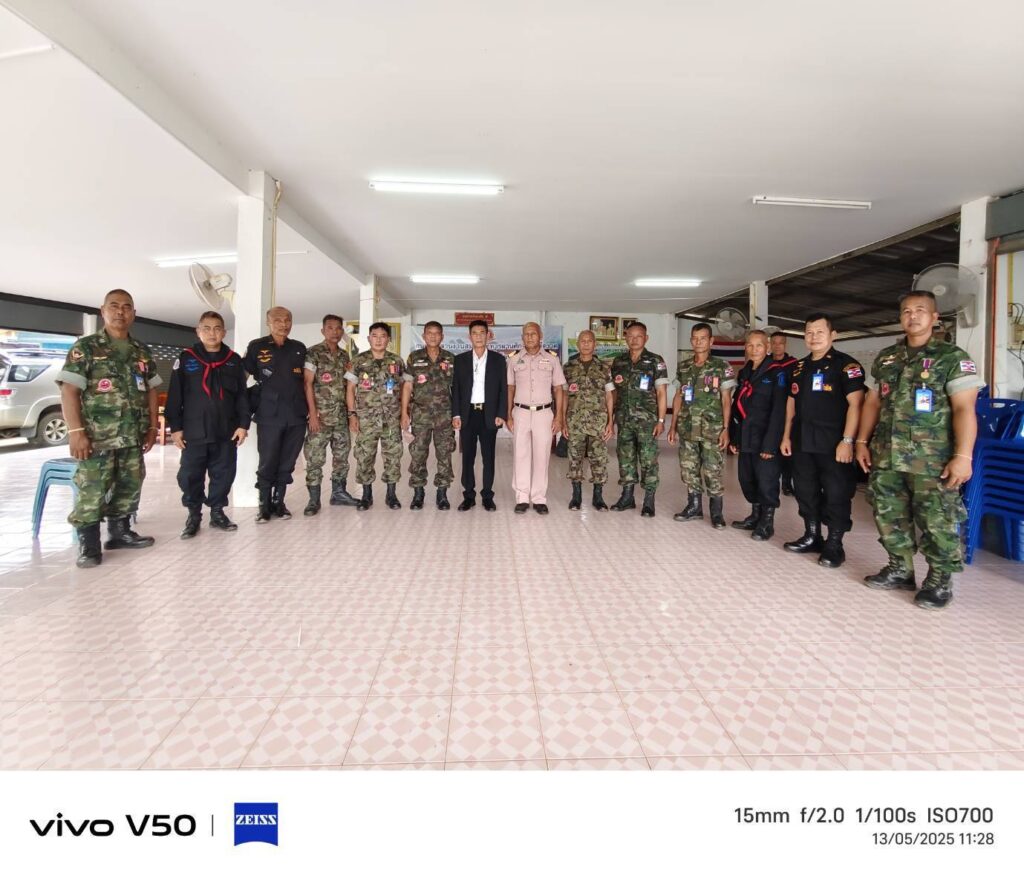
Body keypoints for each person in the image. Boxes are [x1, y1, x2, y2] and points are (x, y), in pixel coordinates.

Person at [855, 290, 983, 609]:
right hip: (887, 453)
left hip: (932, 458)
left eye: (920, 310)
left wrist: (963, 456)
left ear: (934, 317)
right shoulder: (887, 357)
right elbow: (872, 402)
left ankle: (939, 580)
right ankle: (900, 568)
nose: (913, 316)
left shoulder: (952, 357)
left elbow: (965, 409)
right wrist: (860, 442)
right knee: (888, 513)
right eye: (907, 311)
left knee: (937, 519)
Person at [57, 289, 160, 567]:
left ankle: (119, 532)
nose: (120, 312)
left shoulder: (141, 351)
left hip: (132, 434)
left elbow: (151, 389)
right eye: (114, 306)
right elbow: (69, 391)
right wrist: (76, 432)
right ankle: (88, 545)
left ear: (134, 313)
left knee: (131, 482)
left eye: (126, 307)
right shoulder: (87, 348)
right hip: (97, 436)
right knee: (92, 487)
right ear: (103, 311)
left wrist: (152, 427)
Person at [779, 314, 865, 567]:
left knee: (837, 492)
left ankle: (835, 544)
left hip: (833, 443)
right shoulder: (799, 367)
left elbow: (857, 404)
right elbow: (791, 404)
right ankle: (812, 535)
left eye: (819, 332)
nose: (813, 337)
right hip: (802, 441)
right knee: (805, 490)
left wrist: (848, 440)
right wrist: (786, 436)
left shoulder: (846, 366)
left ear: (832, 335)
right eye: (809, 332)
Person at [165, 310, 250, 538]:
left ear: (224, 332)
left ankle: (217, 512)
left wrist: (243, 424)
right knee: (189, 475)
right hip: (194, 430)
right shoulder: (187, 358)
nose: (212, 333)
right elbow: (175, 395)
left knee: (224, 472)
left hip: (226, 429)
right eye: (207, 328)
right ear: (198, 331)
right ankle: (193, 514)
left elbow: (242, 395)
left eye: (217, 328)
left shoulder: (233, 360)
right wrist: (176, 428)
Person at [243, 306, 308, 523]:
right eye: (278, 320)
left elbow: (307, 381)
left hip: (296, 414)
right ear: (268, 323)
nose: (283, 324)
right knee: (268, 460)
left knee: (288, 461)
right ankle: (264, 505)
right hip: (269, 414)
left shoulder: (299, 348)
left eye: (287, 320)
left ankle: (279, 502)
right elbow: (242, 377)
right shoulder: (257, 346)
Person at [668, 322, 735, 529]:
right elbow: (678, 396)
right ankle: (694, 507)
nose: (698, 342)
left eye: (703, 338)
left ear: (711, 341)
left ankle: (716, 513)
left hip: (711, 430)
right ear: (691, 341)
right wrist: (673, 425)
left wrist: (726, 428)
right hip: (687, 427)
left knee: (713, 470)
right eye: (695, 338)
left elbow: (726, 399)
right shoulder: (684, 367)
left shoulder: (721, 367)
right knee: (689, 469)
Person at [729, 329, 788, 540]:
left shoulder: (777, 373)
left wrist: (771, 444)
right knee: (747, 479)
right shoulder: (745, 372)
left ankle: (767, 522)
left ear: (768, 347)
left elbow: (779, 411)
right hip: (746, 436)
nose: (754, 349)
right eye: (750, 345)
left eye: (759, 345)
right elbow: (737, 407)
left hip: (765, 438)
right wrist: (735, 438)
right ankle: (755, 516)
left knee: (766, 480)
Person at [345, 322, 407, 511]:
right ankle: (366, 495)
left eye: (383, 336)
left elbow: (405, 388)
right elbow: (350, 389)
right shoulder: (358, 361)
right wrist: (352, 414)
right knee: (365, 456)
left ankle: (391, 495)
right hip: (367, 419)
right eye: (375, 336)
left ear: (388, 339)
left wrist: (405, 413)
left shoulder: (397, 361)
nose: (379, 340)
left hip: (391, 418)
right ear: (368, 338)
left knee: (393, 456)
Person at [609, 322, 669, 517]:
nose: (634, 340)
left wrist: (661, 420)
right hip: (624, 420)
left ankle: (649, 500)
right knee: (625, 458)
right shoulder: (619, 361)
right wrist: (611, 419)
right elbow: (614, 393)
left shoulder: (655, 361)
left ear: (646, 338)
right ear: (625, 337)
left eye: (639, 336)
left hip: (647, 422)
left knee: (648, 460)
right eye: (630, 336)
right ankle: (627, 497)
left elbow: (661, 392)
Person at [507, 323, 566, 515]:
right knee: (520, 455)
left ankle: (539, 498)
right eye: (526, 334)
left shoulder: (552, 359)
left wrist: (559, 417)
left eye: (533, 334)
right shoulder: (514, 359)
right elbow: (510, 388)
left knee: (542, 456)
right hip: (521, 412)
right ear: (522, 337)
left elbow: (558, 389)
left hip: (544, 413)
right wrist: (508, 415)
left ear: (540, 336)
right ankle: (522, 497)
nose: (530, 337)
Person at [302, 314, 358, 515]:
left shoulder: (344, 356)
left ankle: (338, 493)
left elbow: (349, 386)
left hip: (340, 416)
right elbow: (307, 384)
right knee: (315, 458)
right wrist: (312, 414)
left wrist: (351, 414)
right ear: (323, 330)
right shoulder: (313, 353)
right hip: (321, 417)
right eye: (330, 328)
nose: (335, 332)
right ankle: (313, 499)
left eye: (338, 328)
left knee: (342, 456)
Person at [451, 319, 507, 511]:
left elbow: (503, 389)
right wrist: (456, 414)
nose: (479, 336)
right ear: (469, 337)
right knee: (467, 457)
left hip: (489, 414)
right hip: (467, 414)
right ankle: (468, 495)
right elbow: (456, 389)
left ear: (488, 335)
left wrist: (501, 413)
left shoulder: (498, 360)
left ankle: (487, 495)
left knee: (488, 457)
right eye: (474, 333)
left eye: (482, 332)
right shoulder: (460, 360)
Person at [402, 321, 456, 510]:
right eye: (429, 333)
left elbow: (457, 388)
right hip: (420, 416)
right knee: (418, 454)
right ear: (424, 336)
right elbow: (407, 386)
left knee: (445, 455)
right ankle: (418, 493)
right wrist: (404, 413)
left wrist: (457, 415)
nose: (433, 336)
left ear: (442, 336)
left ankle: (442, 494)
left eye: (437, 333)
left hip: (444, 416)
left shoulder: (450, 358)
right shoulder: (414, 357)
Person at [562, 329, 614, 511]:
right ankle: (576, 497)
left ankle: (598, 497)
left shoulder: (604, 368)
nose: (585, 344)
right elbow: (564, 395)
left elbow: (609, 395)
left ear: (595, 344)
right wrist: (563, 420)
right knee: (574, 459)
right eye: (582, 341)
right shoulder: (568, 367)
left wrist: (610, 422)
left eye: (589, 341)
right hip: (574, 422)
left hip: (598, 423)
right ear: (577, 344)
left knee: (599, 460)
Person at [770, 331, 799, 496]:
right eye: (774, 343)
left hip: (788, 413)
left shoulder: (794, 365)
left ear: (785, 344)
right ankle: (770, 482)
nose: (777, 346)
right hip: (769, 413)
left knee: (787, 449)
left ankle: (787, 483)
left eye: (780, 343)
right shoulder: (765, 363)